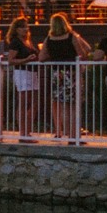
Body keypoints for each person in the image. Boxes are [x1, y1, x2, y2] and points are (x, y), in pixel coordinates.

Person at [43, 13, 84, 141]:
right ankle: (72, 133)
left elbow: (41, 57)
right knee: (71, 104)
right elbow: (80, 53)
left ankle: (58, 132)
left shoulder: (48, 39)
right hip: (70, 73)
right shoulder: (71, 37)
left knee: (57, 103)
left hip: (57, 74)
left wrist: (52, 57)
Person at [1, 16, 40, 141]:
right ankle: (23, 132)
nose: (25, 29)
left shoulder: (28, 42)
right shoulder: (16, 42)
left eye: (26, 27)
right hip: (22, 72)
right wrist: (26, 60)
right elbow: (11, 60)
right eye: (22, 27)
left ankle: (28, 130)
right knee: (23, 102)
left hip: (33, 73)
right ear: (16, 29)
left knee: (35, 102)